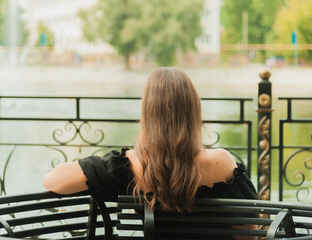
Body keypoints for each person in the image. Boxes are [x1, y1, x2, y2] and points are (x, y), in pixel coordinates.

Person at [43, 67, 258, 239]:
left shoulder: (130, 167)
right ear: (193, 109)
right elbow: (248, 232)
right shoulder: (222, 162)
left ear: (148, 112)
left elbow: (53, 181)